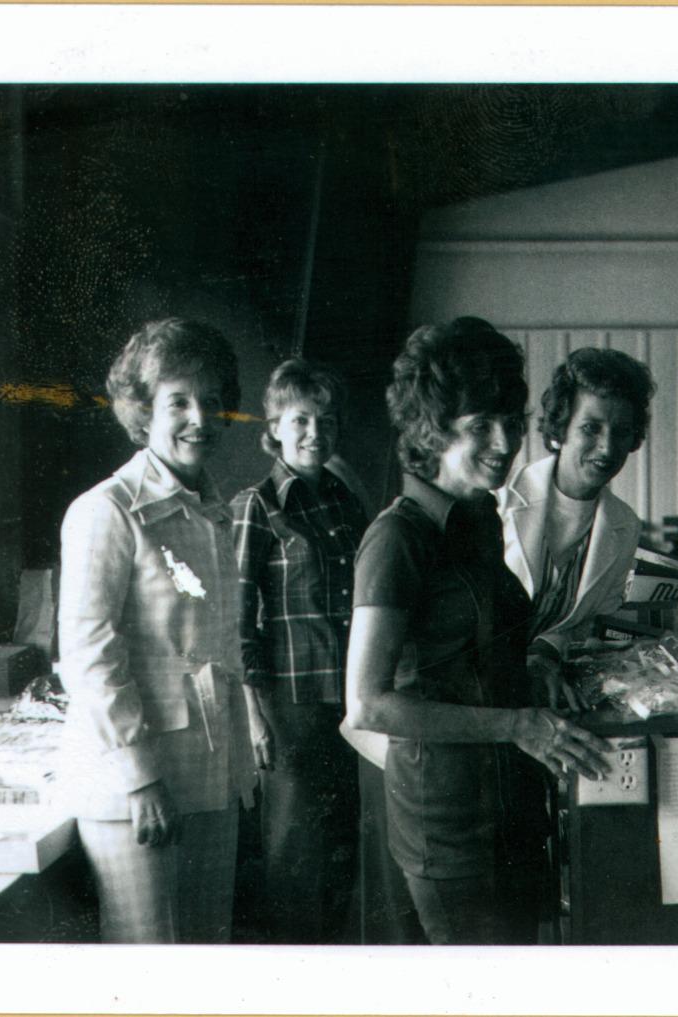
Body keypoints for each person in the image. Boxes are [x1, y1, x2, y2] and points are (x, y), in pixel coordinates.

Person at [344, 316, 612, 945]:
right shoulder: (398, 538)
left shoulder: (478, 519)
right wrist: (517, 725)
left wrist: (538, 671)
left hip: (508, 809)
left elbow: (482, 654)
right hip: (450, 829)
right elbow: (368, 705)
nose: (505, 441)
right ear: (431, 430)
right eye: (480, 426)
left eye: (512, 422)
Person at [57, 318, 256, 943]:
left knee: (205, 956)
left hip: (208, 776)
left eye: (212, 401)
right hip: (134, 786)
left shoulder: (212, 509)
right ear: (143, 411)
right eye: (179, 402)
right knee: (149, 962)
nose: (200, 417)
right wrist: (140, 778)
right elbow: (89, 656)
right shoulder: (106, 510)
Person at [230, 359, 370, 944]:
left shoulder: (345, 500)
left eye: (327, 421)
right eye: (301, 420)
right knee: (295, 855)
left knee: (345, 847)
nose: (316, 433)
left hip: (354, 703)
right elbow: (236, 622)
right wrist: (254, 717)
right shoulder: (257, 505)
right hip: (290, 709)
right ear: (275, 429)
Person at [499, 347, 656, 708]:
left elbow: (588, 621)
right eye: (591, 428)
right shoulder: (499, 499)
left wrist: (544, 654)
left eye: (622, 432)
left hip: (543, 688)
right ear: (560, 429)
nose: (607, 447)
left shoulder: (625, 525)